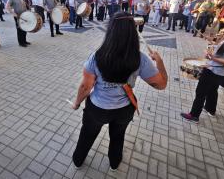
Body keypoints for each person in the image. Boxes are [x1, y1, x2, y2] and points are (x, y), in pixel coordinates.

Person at [71, 11, 168, 170]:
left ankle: (78, 160)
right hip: (124, 109)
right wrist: (160, 62)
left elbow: (85, 87)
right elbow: (161, 84)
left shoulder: (97, 57)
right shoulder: (140, 58)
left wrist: (76, 103)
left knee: (87, 135)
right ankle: (114, 163)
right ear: (132, 32)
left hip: (98, 109)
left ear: (111, 31)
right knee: (118, 137)